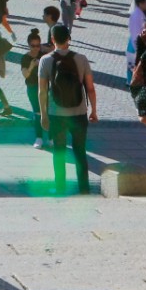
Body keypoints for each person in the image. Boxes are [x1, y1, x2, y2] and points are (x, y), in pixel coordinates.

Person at [44, 21, 98, 195]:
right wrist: (94, 110)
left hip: (56, 112)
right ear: (69, 38)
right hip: (79, 112)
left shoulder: (46, 60)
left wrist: (43, 114)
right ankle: (84, 189)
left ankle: (60, 187)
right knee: (80, 151)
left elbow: (41, 91)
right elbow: (90, 88)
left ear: (52, 39)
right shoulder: (81, 59)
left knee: (58, 151)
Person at [20, 27, 48, 149]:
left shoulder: (44, 56)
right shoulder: (25, 58)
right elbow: (25, 75)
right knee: (37, 112)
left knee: (48, 112)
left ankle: (51, 137)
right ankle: (39, 138)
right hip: (32, 87)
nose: (36, 48)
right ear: (29, 45)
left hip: (45, 87)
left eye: (38, 46)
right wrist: (31, 66)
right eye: (33, 46)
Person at [125, 0, 146, 83]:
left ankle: (130, 81)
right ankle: (132, 81)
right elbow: (137, 31)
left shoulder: (137, 13)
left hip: (132, 41)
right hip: (135, 42)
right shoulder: (138, 15)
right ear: (141, 3)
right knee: (134, 63)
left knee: (131, 64)